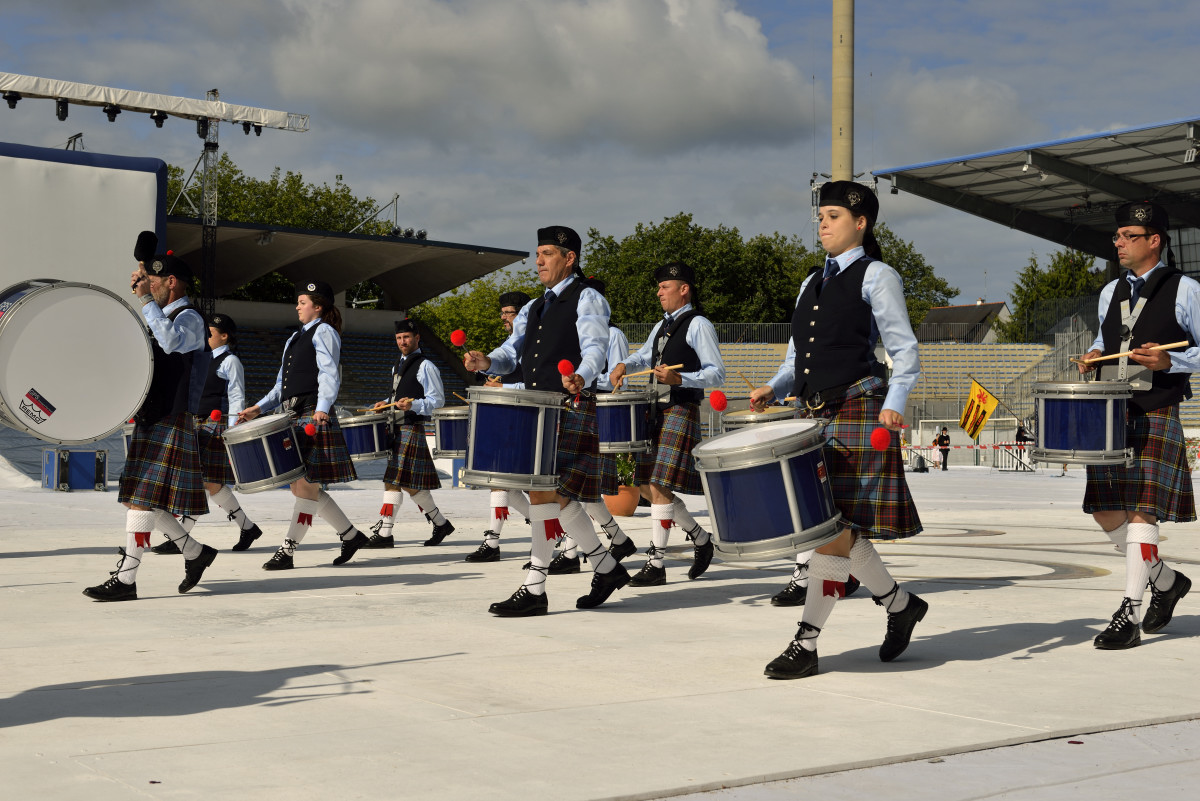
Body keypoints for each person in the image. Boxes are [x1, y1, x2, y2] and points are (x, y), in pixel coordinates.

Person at [749, 180, 926, 679]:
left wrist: (895, 403)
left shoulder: (877, 275)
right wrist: (772, 386)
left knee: (830, 533)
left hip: (858, 408)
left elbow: (904, 349)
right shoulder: (811, 281)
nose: (821, 224)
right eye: (820, 216)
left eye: (832, 216)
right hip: (815, 413)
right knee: (839, 529)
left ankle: (806, 642)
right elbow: (796, 355)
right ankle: (899, 604)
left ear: (861, 223)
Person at [464, 225, 631, 614]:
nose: (538, 261)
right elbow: (511, 353)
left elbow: (594, 346)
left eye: (547, 254)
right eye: (537, 254)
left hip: (569, 404)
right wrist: (486, 361)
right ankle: (605, 567)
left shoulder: (587, 297)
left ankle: (536, 587)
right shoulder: (533, 306)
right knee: (554, 496)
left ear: (569, 258)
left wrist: (582, 375)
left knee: (545, 494)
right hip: (536, 409)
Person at [1077, 201, 1194, 649]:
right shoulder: (1110, 293)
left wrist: (1172, 359)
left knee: (1144, 511)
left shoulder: (1185, 289)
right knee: (1104, 509)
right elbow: (1104, 342)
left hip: (1158, 409)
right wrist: (1091, 356)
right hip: (1113, 412)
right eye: (1117, 236)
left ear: (1154, 240)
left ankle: (1129, 610)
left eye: (1128, 235)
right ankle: (1165, 581)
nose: (1118, 243)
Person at [83, 238, 217, 601]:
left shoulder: (189, 318)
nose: (148, 288)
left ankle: (126, 580)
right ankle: (195, 552)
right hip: (151, 415)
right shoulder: (160, 314)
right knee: (139, 500)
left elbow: (171, 343)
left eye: (154, 282)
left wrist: (144, 301)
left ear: (172, 281)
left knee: (141, 500)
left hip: (172, 417)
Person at [609, 261, 725, 585]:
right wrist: (622, 363)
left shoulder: (698, 324)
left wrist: (681, 377)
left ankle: (656, 564)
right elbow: (645, 356)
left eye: (665, 286)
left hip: (681, 408)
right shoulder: (662, 326)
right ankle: (701, 539)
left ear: (683, 289)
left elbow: (717, 373)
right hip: (657, 409)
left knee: (658, 486)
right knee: (645, 483)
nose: (659, 291)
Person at [241, 280, 368, 570]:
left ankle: (287, 550)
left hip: (311, 413)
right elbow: (279, 387)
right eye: (298, 302)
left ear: (318, 306)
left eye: (303, 302)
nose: (297, 306)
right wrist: (258, 408)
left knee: (304, 486)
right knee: (301, 488)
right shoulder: (294, 338)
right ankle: (350, 535)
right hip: (292, 414)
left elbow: (329, 374)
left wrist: (322, 409)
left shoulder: (324, 331)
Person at [151, 313, 263, 555]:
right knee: (207, 482)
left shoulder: (230, 361)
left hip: (215, 425)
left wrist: (233, 429)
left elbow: (236, 396)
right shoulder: (200, 358)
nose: (206, 336)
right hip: (196, 423)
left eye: (210, 333)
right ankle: (247, 527)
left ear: (225, 336)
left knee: (203, 480)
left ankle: (181, 536)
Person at [550, 278, 639, 573]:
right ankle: (607, 540)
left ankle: (578, 550)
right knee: (577, 486)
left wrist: (584, 379)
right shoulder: (576, 337)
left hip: (598, 407)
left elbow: (615, 380)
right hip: (578, 404)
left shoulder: (614, 335)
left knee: (575, 486)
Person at [365, 318, 455, 549]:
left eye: (406, 337)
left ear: (417, 338)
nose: (402, 342)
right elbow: (398, 399)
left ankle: (385, 533)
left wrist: (412, 406)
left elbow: (437, 401)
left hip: (410, 427)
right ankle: (441, 523)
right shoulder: (398, 365)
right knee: (409, 484)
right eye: (398, 338)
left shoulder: (426, 366)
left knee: (392, 481)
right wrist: (385, 403)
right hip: (396, 426)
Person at [466, 290, 533, 563]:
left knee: (541, 487)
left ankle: (604, 536)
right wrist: (484, 365)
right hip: (510, 418)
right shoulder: (512, 342)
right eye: (503, 312)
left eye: (510, 313)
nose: (503, 317)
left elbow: (539, 384)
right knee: (500, 482)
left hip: (534, 419)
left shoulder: (537, 342)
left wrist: (505, 385)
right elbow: (503, 358)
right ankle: (492, 541)